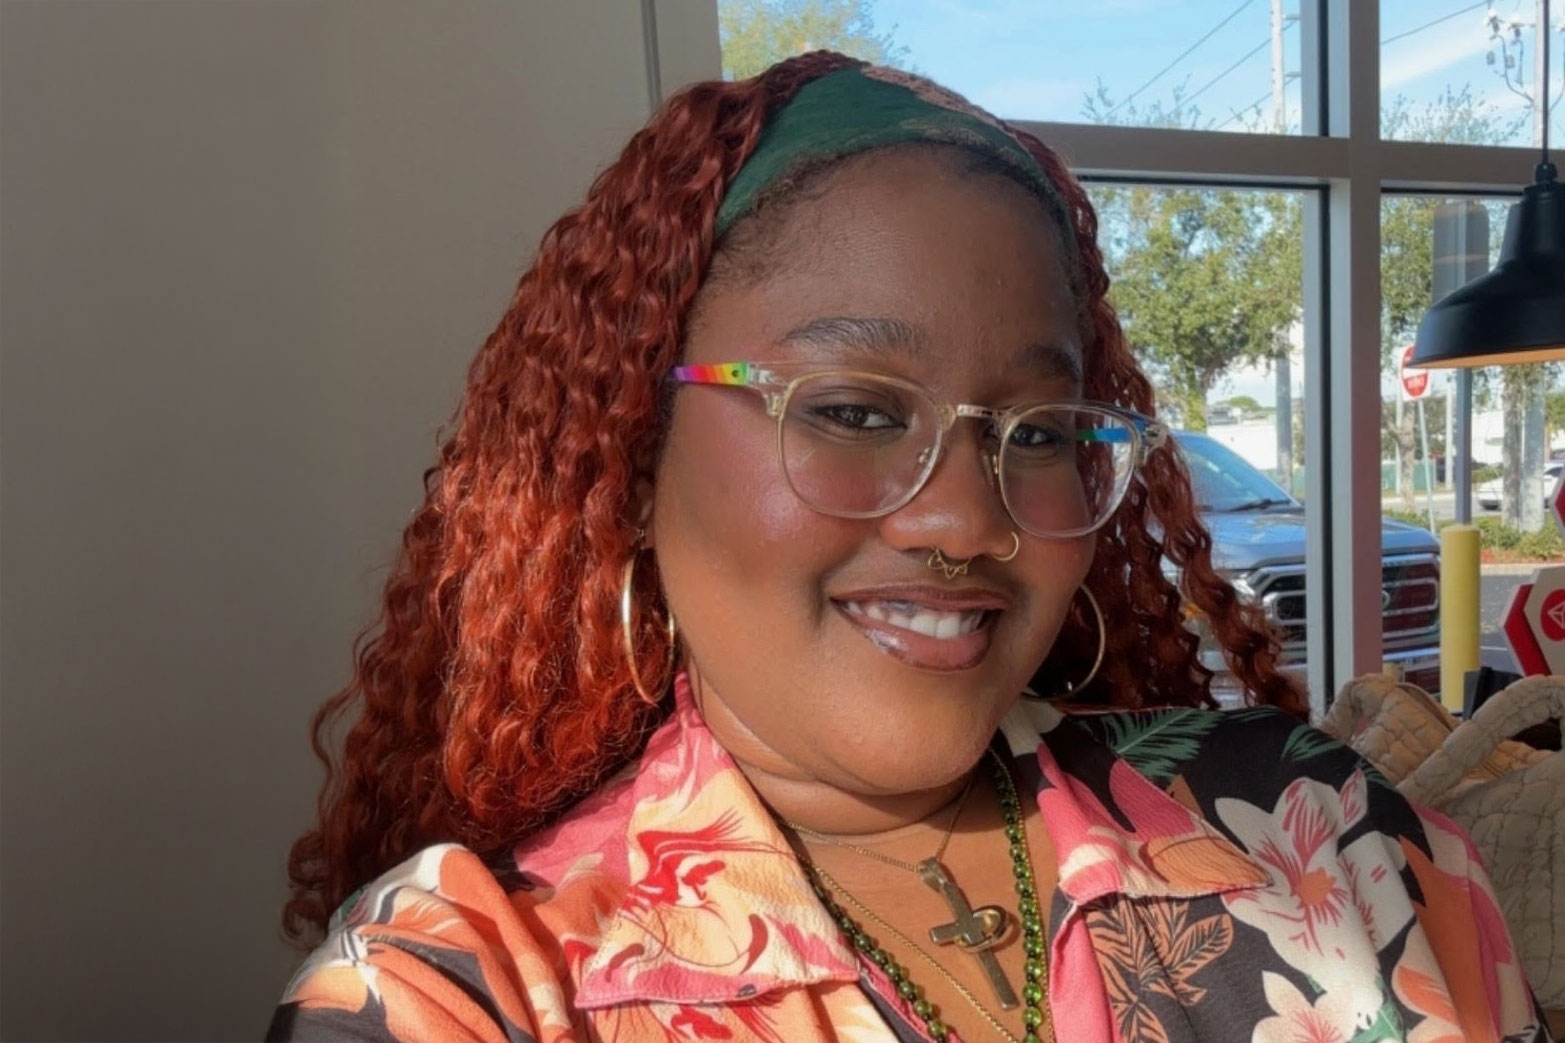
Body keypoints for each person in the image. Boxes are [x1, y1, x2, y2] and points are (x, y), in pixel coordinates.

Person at [267, 52, 1549, 1043]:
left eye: (1038, 432)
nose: (967, 521)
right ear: (632, 445)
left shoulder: (1318, 824)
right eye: (854, 410)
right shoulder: (471, 991)